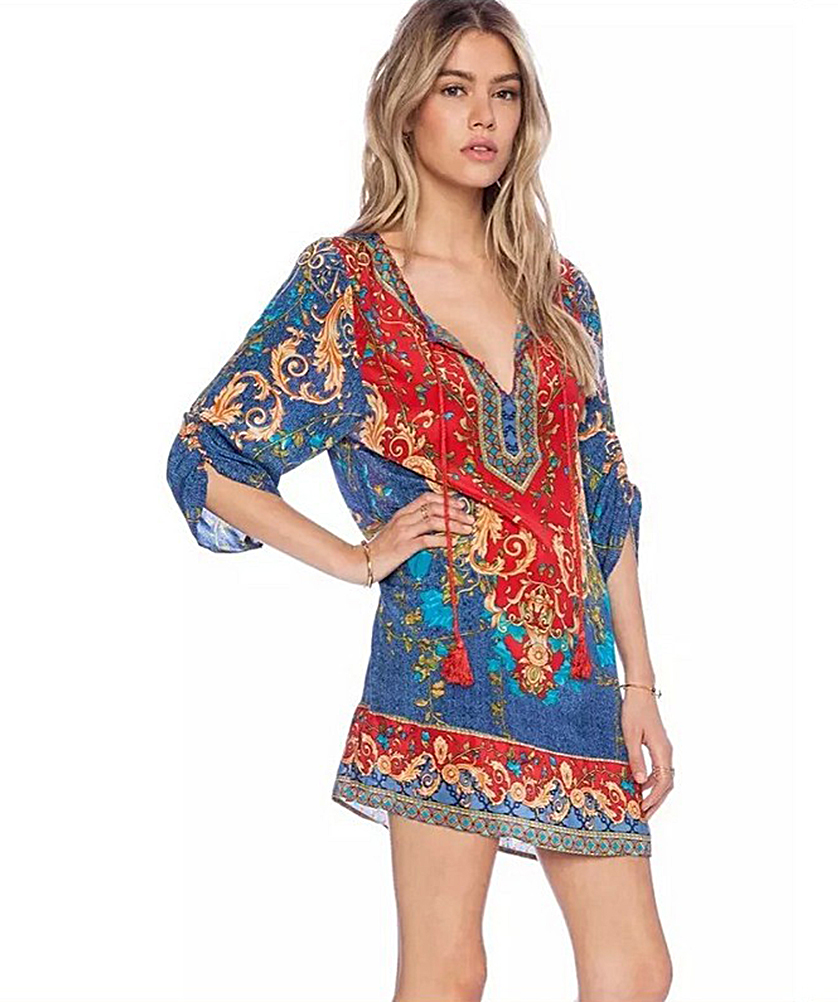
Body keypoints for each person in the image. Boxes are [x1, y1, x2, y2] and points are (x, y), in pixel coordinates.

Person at [166, 1, 675, 998]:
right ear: (407, 108)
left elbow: (605, 498)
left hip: (577, 678)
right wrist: (358, 557)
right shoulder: (349, 282)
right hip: (442, 669)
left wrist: (641, 686)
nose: (484, 116)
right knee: (448, 971)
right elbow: (209, 453)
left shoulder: (562, 293)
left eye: (505, 93)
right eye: (455, 89)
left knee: (636, 968)